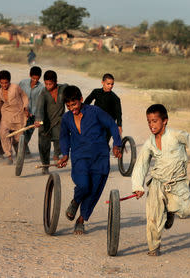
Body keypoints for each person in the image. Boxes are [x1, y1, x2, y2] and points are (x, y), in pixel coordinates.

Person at [132, 104, 190, 256]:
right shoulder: (149, 143)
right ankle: (153, 247)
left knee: (187, 210)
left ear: (164, 121)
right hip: (157, 183)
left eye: (154, 121)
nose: (151, 125)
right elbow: (141, 164)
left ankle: (171, 211)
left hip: (177, 181)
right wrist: (138, 186)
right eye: (149, 121)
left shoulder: (175, 135)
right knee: (153, 218)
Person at [57, 86, 122, 235]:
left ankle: (81, 220)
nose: (72, 109)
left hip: (100, 157)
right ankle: (75, 201)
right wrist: (65, 154)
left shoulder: (94, 112)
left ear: (81, 100)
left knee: (94, 191)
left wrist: (117, 144)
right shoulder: (66, 118)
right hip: (80, 157)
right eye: (68, 106)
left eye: (74, 105)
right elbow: (64, 137)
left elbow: (112, 124)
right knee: (84, 185)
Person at [0, 70, 29, 164]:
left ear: (9, 81)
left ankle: (19, 154)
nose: (4, 85)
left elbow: (24, 97)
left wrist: (26, 108)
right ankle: (9, 155)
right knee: (2, 132)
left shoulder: (16, 87)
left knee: (17, 139)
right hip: (6, 116)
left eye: (6, 83)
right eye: (2, 83)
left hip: (18, 115)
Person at [34, 70, 67, 174]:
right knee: (43, 146)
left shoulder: (63, 89)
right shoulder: (43, 93)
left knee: (60, 141)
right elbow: (39, 108)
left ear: (56, 82)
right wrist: (38, 120)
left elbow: (71, 92)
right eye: (46, 84)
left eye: (50, 84)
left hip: (59, 121)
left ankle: (57, 155)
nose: (48, 86)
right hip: (45, 123)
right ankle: (45, 166)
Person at [84, 73, 123, 140]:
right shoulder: (96, 92)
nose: (110, 86)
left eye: (112, 84)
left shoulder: (115, 98)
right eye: (108, 84)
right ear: (102, 82)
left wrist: (119, 125)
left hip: (108, 123)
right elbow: (86, 102)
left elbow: (118, 113)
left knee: (104, 143)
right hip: (96, 120)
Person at [19, 66, 44, 155]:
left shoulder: (42, 88)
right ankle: (23, 150)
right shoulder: (22, 83)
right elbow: (18, 95)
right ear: (30, 75)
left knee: (28, 133)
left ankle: (23, 152)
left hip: (33, 114)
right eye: (33, 78)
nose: (35, 81)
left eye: (37, 79)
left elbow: (41, 103)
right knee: (20, 132)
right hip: (22, 112)